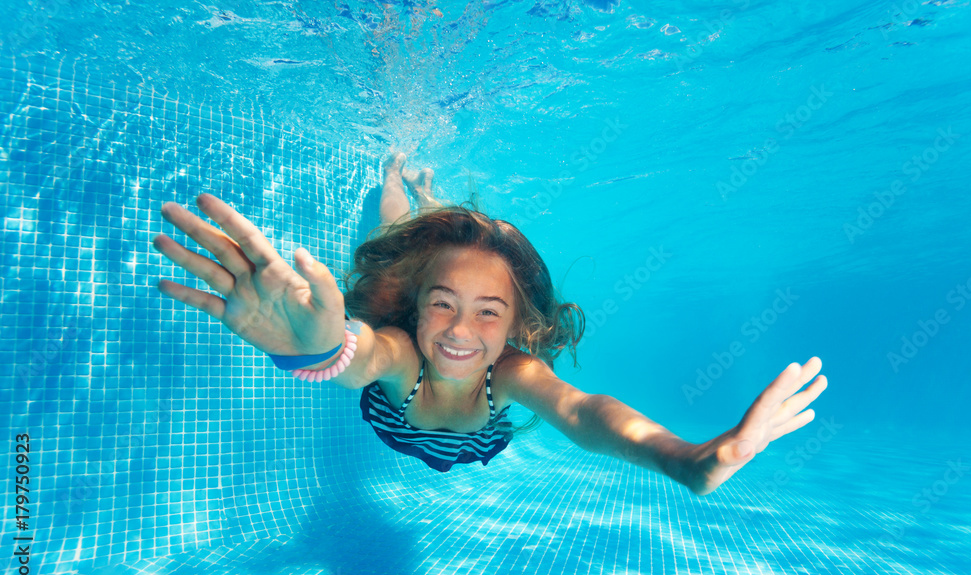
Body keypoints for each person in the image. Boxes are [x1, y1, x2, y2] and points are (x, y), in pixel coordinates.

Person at [152, 152, 828, 493]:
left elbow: (585, 411)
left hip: (472, 445)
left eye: (489, 311)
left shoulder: (513, 372)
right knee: (395, 230)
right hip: (397, 421)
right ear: (415, 308)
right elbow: (359, 356)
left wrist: (690, 460)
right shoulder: (400, 350)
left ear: (514, 326)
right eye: (441, 302)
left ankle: (427, 193)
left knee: (432, 235)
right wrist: (318, 349)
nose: (458, 330)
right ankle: (396, 172)